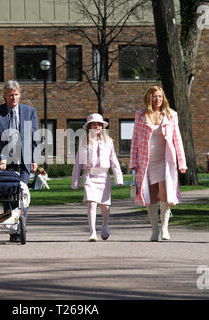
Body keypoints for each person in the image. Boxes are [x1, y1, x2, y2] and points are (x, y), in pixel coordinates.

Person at [129, 86, 187, 242]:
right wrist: (132, 162)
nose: (158, 99)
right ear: (149, 98)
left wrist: (182, 162)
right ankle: (154, 230)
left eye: (160, 96)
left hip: (165, 160)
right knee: (151, 196)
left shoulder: (170, 115)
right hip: (146, 161)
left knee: (166, 193)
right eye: (155, 96)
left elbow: (177, 139)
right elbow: (135, 139)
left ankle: (165, 228)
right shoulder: (140, 115)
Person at [0, 80, 39, 242]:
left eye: (16, 95)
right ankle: (12, 226)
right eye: (10, 95)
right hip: (4, 161)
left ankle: (18, 228)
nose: (13, 98)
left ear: (19, 95)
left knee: (21, 194)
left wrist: (35, 159)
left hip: (24, 161)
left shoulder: (29, 112)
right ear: (5, 96)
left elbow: (35, 137)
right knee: (8, 194)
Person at [71, 113, 123, 242]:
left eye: (99, 124)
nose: (97, 126)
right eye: (94, 124)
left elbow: (114, 161)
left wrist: (119, 178)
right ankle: (92, 231)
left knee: (105, 206)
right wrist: (75, 181)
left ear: (102, 127)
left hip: (104, 177)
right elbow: (78, 162)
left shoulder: (109, 141)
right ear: (89, 126)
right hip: (89, 175)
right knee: (92, 203)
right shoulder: (84, 142)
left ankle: (104, 225)